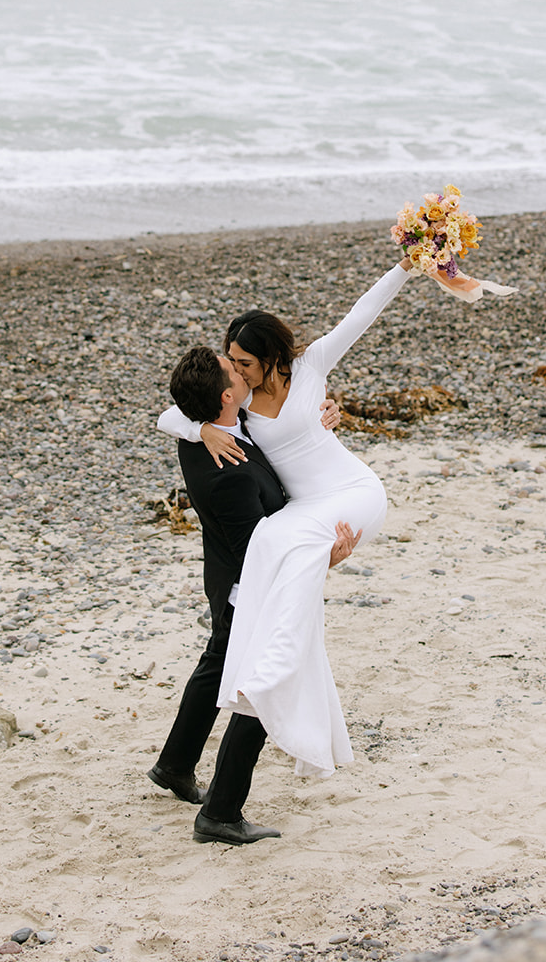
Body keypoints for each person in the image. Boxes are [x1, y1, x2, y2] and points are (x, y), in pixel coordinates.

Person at [157, 259, 414, 832]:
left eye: (244, 361)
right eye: (233, 365)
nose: (238, 371)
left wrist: (407, 263)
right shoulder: (235, 404)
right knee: (251, 627)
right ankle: (256, 698)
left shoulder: (311, 366)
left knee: (244, 631)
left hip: (346, 492)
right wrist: (201, 428)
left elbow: (363, 314)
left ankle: (238, 717)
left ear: (270, 358)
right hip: (297, 515)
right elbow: (171, 412)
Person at [148, 346, 360, 845]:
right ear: (227, 394)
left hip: (227, 580)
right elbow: (259, 554)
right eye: (235, 370)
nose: (244, 371)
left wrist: (321, 411)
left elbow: (171, 416)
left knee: (219, 664)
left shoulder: (211, 425)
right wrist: (326, 558)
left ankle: (175, 765)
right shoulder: (231, 472)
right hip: (251, 590)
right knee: (262, 689)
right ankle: (220, 812)